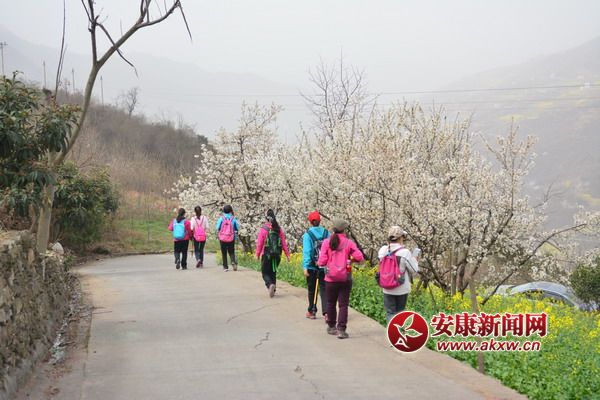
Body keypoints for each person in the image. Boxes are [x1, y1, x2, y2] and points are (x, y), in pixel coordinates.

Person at [317, 219, 364, 339]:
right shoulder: (349, 243)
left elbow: (321, 261)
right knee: (343, 305)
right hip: (345, 278)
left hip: (330, 278)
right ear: (344, 230)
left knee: (330, 303)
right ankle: (341, 330)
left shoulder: (327, 242)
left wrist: (326, 262)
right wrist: (351, 259)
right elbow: (360, 257)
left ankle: (331, 327)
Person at [377, 226, 419, 324]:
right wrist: (415, 260)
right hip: (401, 287)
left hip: (387, 286)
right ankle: (398, 331)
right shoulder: (405, 253)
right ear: (400, 238)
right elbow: (414, 270)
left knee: (390, 312)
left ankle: (391, 331)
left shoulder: (383, 250)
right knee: (400, 313)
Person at [255, 209, 290, 297]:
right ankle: (273, 289)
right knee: (273, 271)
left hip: (266, 254)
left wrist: (257, 254)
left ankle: (270, 285)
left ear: (266, 218)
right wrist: (287, 255)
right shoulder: (278, 229)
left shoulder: (264, 229)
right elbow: (283, 243)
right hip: (277, 254)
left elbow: (260, 243)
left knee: (265, 272)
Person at [302, 211, 329, 319]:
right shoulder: (326, 233)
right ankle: (327, 313)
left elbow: (307, 251)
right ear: (320, 221)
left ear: (310, 222)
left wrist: (305, 266)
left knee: (312, 289)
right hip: (324, 266)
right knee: (324, 289)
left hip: (312, 266)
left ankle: (312, 311)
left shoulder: (308, 235)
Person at [215, 204, 240, 271]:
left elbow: (217, 227)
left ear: (223, 210)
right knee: (231, 251)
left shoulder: (221, 218)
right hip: (231, 237)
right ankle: (233, 262)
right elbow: (237, 227)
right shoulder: (233, 218)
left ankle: (225, 267)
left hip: (222, 238)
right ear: (231, 210)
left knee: (224, 252)